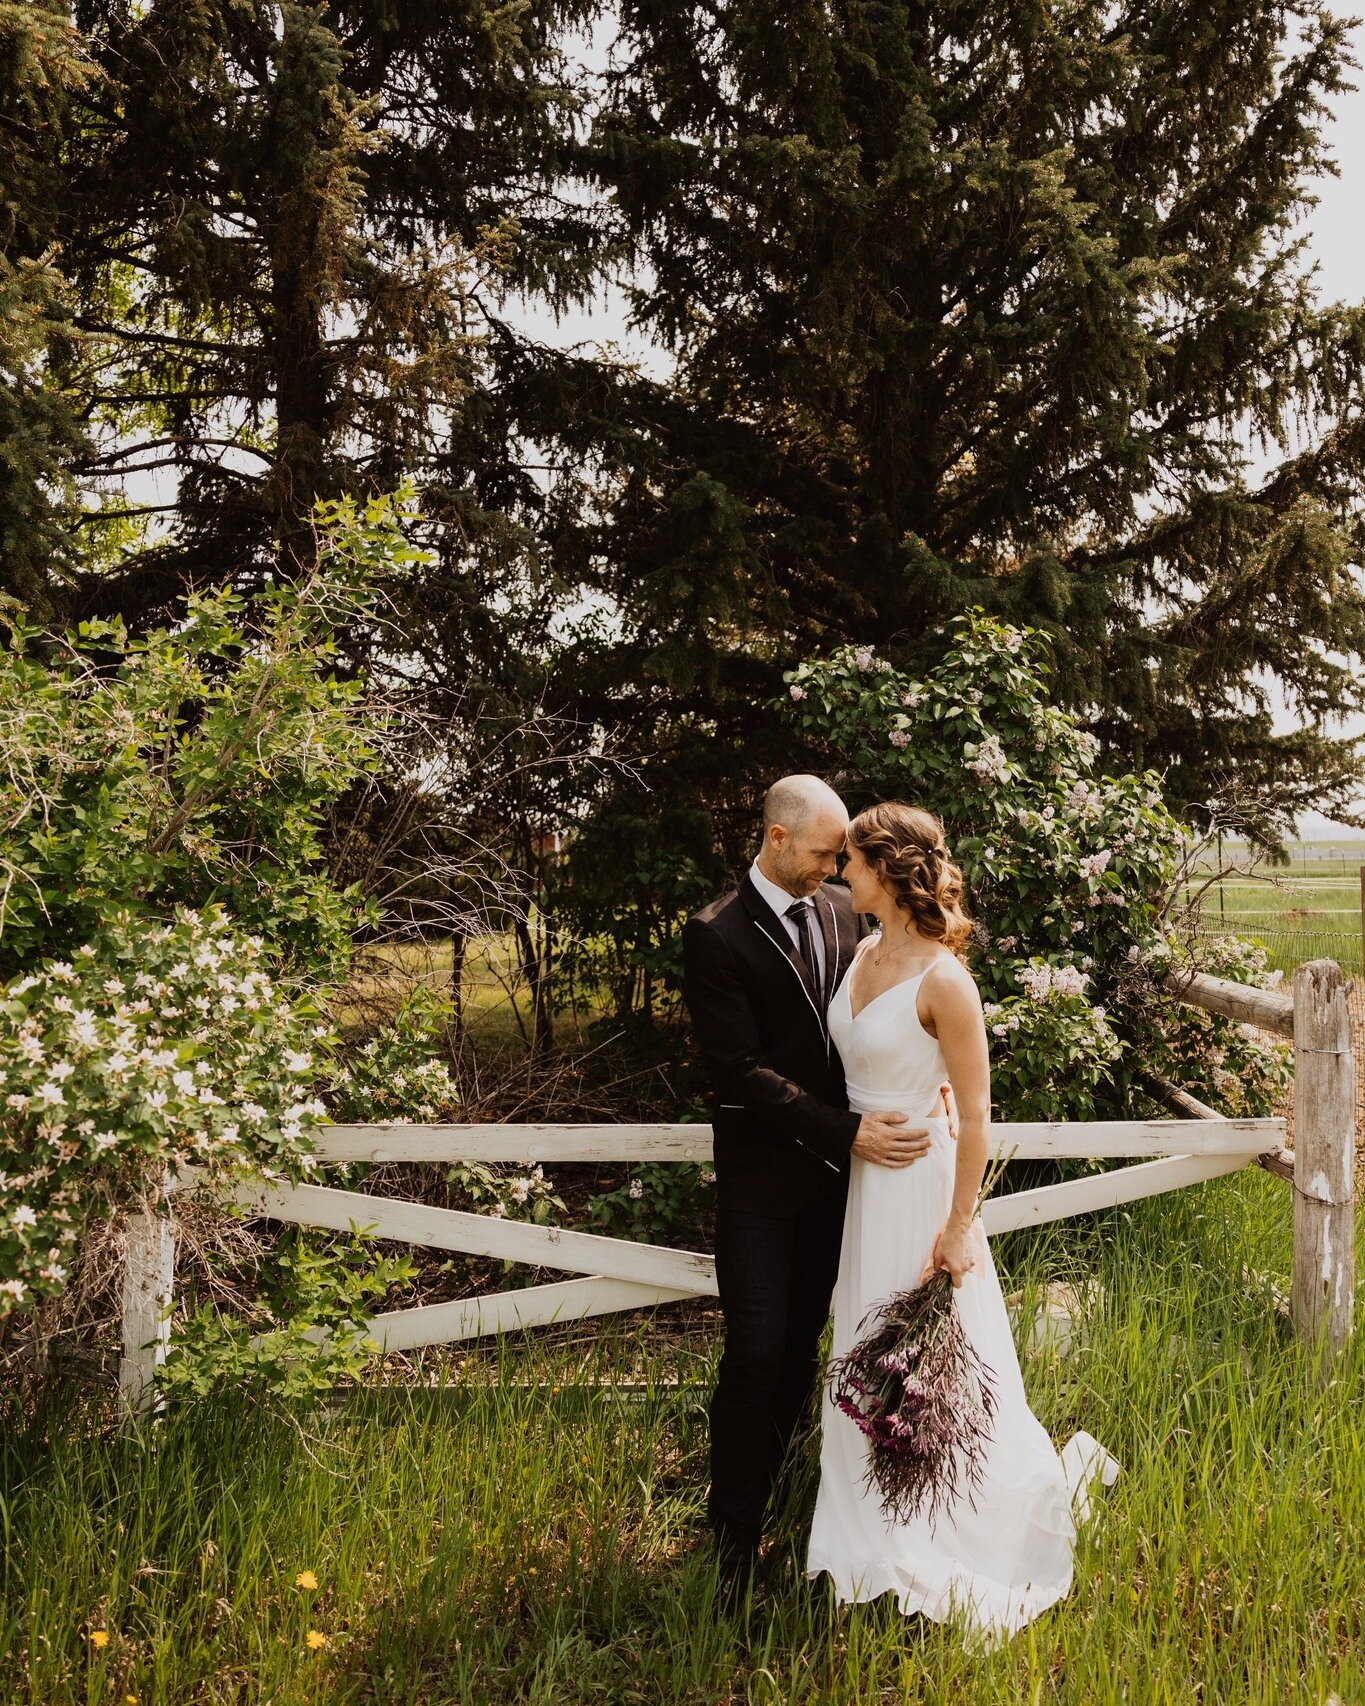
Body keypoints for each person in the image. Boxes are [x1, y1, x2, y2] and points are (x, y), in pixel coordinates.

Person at [806, 801, 1118, 1643]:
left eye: (852, 863)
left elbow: (976, 1116)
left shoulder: (945, 978)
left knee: (930, 1355)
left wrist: (955, 1228)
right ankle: (862, 1518)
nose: (840, 875)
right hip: (866, 1181)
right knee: (864, 1346)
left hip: (922, 1188)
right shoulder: (863, 949)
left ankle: (940, 1519)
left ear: (885, 868)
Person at [681, 775, 950, 1596]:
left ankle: (803, 1506)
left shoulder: (843, 913)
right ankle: (730, 1542)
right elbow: (735, 1071)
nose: (835, 867)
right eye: (823, 853)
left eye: (842, 856)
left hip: (851, 1187)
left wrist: (926, 1080)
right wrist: (846, 1130)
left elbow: (896, 1009)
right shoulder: (715, 935)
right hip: (764, 1186)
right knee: (755, 1356)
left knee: (812, 1354)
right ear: (774, 839)